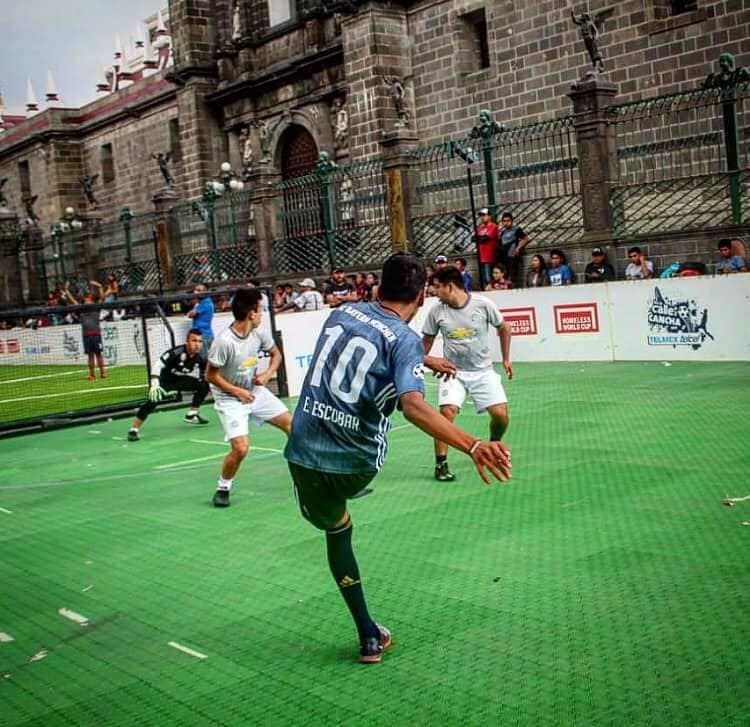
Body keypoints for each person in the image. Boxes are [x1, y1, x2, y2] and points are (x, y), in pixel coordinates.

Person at [284, 254, 512, 664]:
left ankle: (367, 634)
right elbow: (412, 405)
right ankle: (369, 637)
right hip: (356, 464)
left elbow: (369, 342)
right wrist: (473, 446)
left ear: (375, 288)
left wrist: (419, 359)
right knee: (395, 392)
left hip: (302, 450)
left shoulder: (340, 314)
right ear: (422, 296)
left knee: (336, 530)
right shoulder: (404, 339)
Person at [423, 265, 513, 482]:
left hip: (483, 371)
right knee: (446, 414)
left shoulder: (483, 304)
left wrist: (506, 358)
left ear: (449, 286)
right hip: (453, 372)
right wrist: (420, 365)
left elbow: (504, 328)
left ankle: (493, 442)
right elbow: (426, 341)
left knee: (501, 415)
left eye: (436, 287)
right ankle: (441, 464)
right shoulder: (436, 311)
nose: (432, 292)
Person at [207, 288, 292, 508]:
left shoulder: (259, 332)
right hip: (229, 397)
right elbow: (210, 375)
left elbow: (276, 355)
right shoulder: (224, 342)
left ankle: (307, 474)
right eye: (260, 309)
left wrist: (266, 374)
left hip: (255, 393)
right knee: (241, 448)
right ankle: (223, 487)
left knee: (293, 426)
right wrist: (237, 392)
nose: (262, 313)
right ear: (251, 313)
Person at [127, 328, 210, 441]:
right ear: (187, 341)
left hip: (180, 381)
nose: (197, 344)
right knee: (152, 401)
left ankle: (192, 414)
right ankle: (133, 430)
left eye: (200, 341)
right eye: (194, 341)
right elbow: (157, 365)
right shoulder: (176, 352)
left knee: (204, 385)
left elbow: (207, 373)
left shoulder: (199, 357)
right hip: (164, 382)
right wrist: (155, 384)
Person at [65, 287, 107, 381]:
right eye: (86, 298)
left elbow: (102, 297)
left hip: (96, 334)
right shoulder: (81, 309)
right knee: (90, 355)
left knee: (98, 354)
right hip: (86, 335)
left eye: (88, 298)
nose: (87, 300)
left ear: (91, 300)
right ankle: (92, 374)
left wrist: (99, 286)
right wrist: (67, 291)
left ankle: (103, 372)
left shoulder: (96, 307)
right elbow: (73, 300)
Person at [498, 212, 530, 288]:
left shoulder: (516, 230)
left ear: (512, 221)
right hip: (504, 258)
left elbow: (526, 239)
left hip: (512, 258)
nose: (506, 223)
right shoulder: (503, 233)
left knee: (512, 278)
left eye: (508, 221)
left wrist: (518, 248)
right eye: (504, 221)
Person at [186, 284, 215, 356]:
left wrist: (195, 305)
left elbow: (190, 314)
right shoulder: (205, 302)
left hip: (203, 335)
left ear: (205, 292)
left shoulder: (205, 303)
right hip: (205, 335)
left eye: (199, 290)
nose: (196, 292)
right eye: (195, 290)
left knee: (203, 359)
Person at [474, 208, 499, 289]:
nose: (482, 217)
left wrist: (480, 238)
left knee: (489, 279)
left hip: (489, 257)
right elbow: (473, 238)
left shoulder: (493, 226)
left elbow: (486, 238)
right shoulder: (479, 227)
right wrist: (480, 238)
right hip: (481, 257)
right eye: (481, 215)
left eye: (484, 215)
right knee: (483, 280)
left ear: (489, 216)